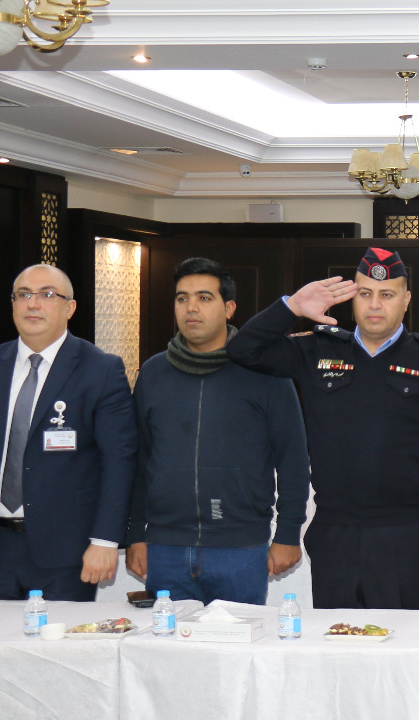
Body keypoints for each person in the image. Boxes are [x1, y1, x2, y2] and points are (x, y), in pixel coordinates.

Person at [230, 247, 419, 609]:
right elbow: (243, 350)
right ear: (352, 299)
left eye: (387, 295)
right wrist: (291, 307)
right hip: (335, 531)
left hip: (407, 533)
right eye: (365, 293)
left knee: (403, 641)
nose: (375, 304)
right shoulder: (317, 350)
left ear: (406, 301)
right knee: (336, 638)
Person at [124, 257, 310, 605]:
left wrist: (288, 535)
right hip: (165, 548)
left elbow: (293, 460)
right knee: (168, 641)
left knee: (239, 641)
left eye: (204, 298)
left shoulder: (266, 373)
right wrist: (135, 534)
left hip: (240, 548)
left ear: (229, 309)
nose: (191, 308)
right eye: (182, 298)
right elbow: (139, 461)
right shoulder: (153, 373)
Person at [0, 264, 135, 599]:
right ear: (12, 304)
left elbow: (119, 462)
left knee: (61, 635)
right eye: (23, 295)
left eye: (47, 295)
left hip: (67, 549)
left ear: (70, 308)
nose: (33, 304)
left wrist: (105, 540)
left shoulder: (101, 370)